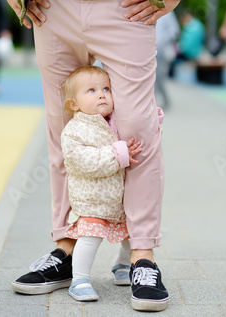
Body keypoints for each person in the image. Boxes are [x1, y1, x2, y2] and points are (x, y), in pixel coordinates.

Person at [0, 0, 186, 311]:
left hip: (127, 3)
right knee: (64, 130)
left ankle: (141, 257)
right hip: (51, 2)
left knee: (137, 129)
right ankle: (66, 249)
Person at [58, 65, 144, 301]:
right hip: (92, 200)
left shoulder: (114, 121)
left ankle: (123, 266)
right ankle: (80, 279)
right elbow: (84, 162)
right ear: (74, 104)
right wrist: (117, 154)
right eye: (92, 90)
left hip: (118, 198)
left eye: (106, 88)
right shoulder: (74, 131)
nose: (102, 94)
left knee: (132, 234)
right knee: (89, 237)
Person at [168, 10, 205, 78]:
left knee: (171, 58)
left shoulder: (190, 27)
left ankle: (170, 77)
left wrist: (179, 49)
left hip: (189, 52)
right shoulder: (198, 24)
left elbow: (186, 45)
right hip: (196, 51)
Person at [155, 11, 180, 108]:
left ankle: (162, 100)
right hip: (149, 50)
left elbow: (175, 30)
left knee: (159, 76)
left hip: (161, 50)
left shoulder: (167, 11)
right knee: (151, 77)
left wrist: (163, 41)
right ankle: (154, 102)